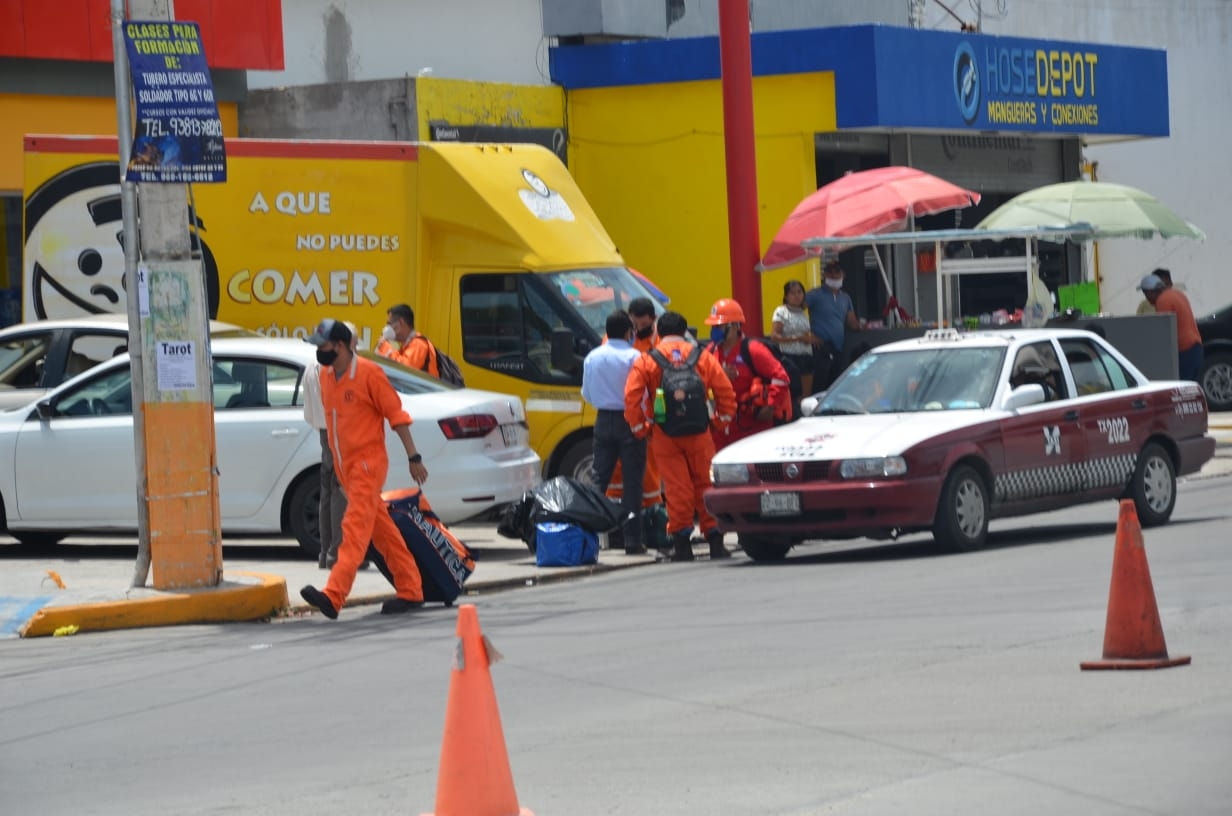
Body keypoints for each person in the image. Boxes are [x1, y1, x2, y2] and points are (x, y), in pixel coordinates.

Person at [299, 318, 430, 619]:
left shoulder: (370, 374)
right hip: (345, 468)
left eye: (324, 346)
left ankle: (334, 595)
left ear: (341, 346)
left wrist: (414, 457)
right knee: (381, 532)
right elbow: (332, 426)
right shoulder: (326, 377)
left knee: (354, 529)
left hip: (367, 466)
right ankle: (411, 588)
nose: (319, 352)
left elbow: (397, 417)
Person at [624, 310, 736, 562]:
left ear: (657, 332)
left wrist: (641, 428)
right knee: (705, 485)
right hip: (700, 432)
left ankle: (682, 545)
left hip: (664, 433)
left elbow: (632, 396)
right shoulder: (703, 357)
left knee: (676, 488)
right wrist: (719, 421)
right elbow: (725, 393)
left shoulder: (647, 360)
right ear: (685, 331)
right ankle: (716, 542)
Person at [582, 310, 648, 556]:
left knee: (599, 479)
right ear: (629, 332)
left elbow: (587, 394)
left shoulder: (592, 357)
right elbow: (644, 394)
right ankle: (632, 540)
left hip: (602, 419)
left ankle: (589, 537)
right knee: (632, 483)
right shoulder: (635, 357)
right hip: (630, 421)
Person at [301, 320, 363, 569]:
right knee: (340, 493)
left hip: (324, 433)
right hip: (339, 434)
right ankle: (336, 553)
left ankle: (327, 553)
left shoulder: (311, 368)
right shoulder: (332, 370)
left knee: (328, 493)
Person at [704, 297, 791, 450]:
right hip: (719, 432)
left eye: (720, 326)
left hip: (752, 431)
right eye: (714, 326)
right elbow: (698, 381)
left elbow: (781, 378)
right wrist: (718, 376)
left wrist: (769, 405)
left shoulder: (753, 350)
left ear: (735, 326)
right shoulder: (710, 352)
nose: (715, 330)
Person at [805, 259, 861, 391]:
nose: (834, 275)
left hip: (838, 349)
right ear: (825, 275)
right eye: (830, 272)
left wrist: (866, 325)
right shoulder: (815, 294)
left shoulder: (845, 297)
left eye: (837, 272)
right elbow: (796, 311)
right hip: (819, 347)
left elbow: (852, 322)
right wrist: (807, 333)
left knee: (834, 385)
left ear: (843, 275)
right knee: (819, 384)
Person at [1140, 272, 1203, 381]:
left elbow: (1164, 331)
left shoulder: (1162, 301)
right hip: (1196, 346)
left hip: (1184, 350)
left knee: (1182, 389)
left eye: (1145, 294)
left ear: (1150, 292)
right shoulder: (1178, 294)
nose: (1147, 299)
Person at [770, 279, 818, 398]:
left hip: (806, 355)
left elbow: (806, 333)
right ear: (786, 296)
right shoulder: (781, 311)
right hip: (790, 356)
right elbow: (775, 336)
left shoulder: (803, 313)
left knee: (805, 394)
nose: (796, 296)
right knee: (792, 393)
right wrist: (797, 338)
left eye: (799, 292)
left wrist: (811, 339)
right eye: (793, 293)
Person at [376, 303, 438, 377]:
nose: (387, 327)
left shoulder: (419, 344)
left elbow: (405, 369)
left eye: (390, 323)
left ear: (401, 323)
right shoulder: (407, 345)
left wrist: (385, 346)